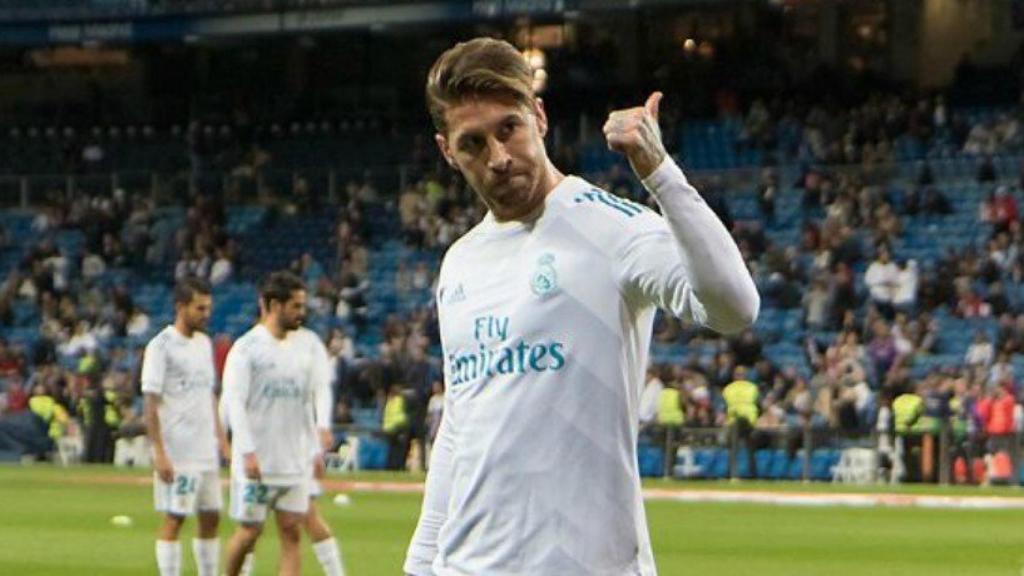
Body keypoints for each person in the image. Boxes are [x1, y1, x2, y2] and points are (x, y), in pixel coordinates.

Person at [404, 37, 759, 575]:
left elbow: (735, 307)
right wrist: (419, 562)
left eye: (508, 128)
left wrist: (660, 172)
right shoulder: (460, 261)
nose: (498, 158)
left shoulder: (612, 228)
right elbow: (459, 424)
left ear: (539, 117)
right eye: (473, 143)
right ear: (447, 151)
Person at [220, 271, 332, 576]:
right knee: (249, 532)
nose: (301, 312)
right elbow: (234, 403)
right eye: (295, 306)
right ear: (273, 305)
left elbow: (316, 392)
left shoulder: (307, 344)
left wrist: (317, 440)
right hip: (258, 461)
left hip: (294, 460)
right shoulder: (246, 349)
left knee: (292, 532)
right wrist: (246, 452)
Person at [141, 277, 227, 576]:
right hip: (178, 448)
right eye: (200, 308)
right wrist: (159, 452)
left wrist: (222, 440)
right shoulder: (161, 346)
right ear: (181, 307)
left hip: (205, 448)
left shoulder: (204, 343)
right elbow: (150, 402)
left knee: (211, 516)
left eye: (208, 308)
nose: (206, 314)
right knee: (175, 516)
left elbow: (209, 394)